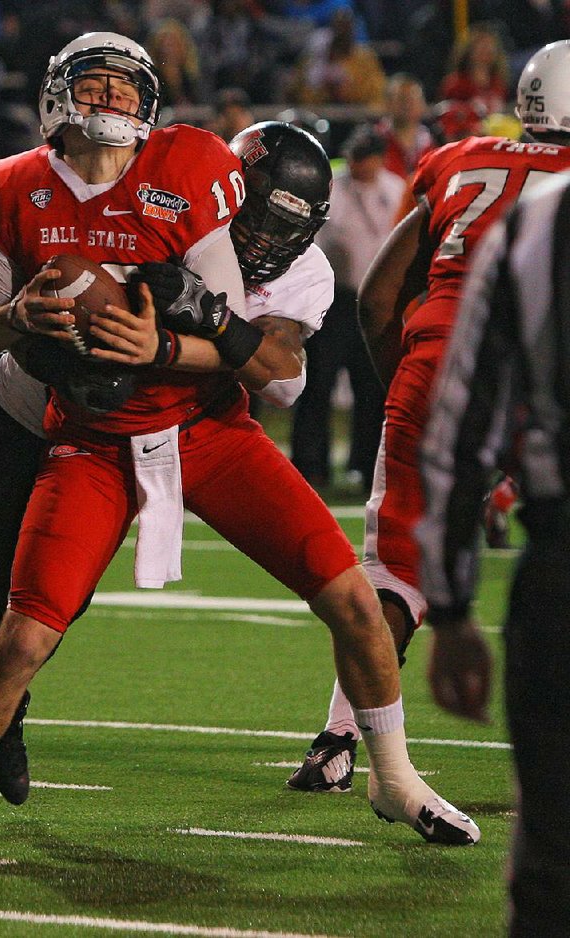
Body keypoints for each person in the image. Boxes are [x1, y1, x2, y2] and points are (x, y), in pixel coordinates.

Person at [0, 31, 479, 857]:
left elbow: (268, 363)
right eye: (98, 86)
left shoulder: (192, 178)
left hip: (204, 431)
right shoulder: (11, 188)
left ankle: (393, 775)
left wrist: (169, 340)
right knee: (16, 634)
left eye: (128, 89)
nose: (113, 101)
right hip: (65, 432)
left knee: (353, 598)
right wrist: (24, 321)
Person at [0, 116, 337, 824]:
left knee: (48, 616)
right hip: (19, 423)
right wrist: (38, 320)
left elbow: (283, 377)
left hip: (115, 442)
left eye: (280, 225)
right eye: (254, 211)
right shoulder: (148, 216)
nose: (262, 238)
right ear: (226, 190)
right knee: (5, 625)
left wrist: (180, 338)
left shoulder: (295, 272)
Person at [288, 39, 570, 795]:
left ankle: (341, 741)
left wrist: (408, 391)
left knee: (395, 572)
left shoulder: (461, 159)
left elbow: (378, 296)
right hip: (547, 382)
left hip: (437, 369)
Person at [418, 171, 570, 938]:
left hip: (560, 572)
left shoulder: (535, 223)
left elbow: (460, 432)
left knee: (552, 862)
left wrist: (448, 610)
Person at [292, 123, 404, 493]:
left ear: (379, 159)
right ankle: (311, 465)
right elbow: (316, 239)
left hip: (378, 300)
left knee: (372, 389)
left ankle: (365, 466)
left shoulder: (395, 188)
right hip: (336, 299)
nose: (358, 164)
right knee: (317, 383)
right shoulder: (333, 184)